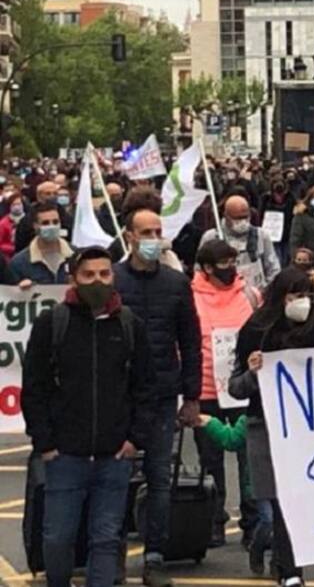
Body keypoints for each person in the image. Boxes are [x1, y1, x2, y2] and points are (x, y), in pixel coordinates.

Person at [22, 246, 153, 587]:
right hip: (64, 455)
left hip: (114, 456)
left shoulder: (129, 325)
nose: (98, 281)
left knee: (106, 539)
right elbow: (34, 387)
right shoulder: (52, 323)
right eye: (89, 275)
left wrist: (134, 439)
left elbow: (145, 387)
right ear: (73, 279)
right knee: (57, 538)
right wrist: (45, 443)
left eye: (104, 274)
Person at [114, 207, 203, 586]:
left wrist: (192, 396)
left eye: (157, 232)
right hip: (119, 395)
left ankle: (155, 557)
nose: (153, 239)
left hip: (163, 395)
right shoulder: (113, 279)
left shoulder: (176, 283)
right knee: (115, 477)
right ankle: (113, 553)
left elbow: (191, 341)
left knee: (159, 477)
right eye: (145, 232)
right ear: (129, 237)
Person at [229, 268, 314, 587]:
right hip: (267, 425)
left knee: (297, 500)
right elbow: (235, 388)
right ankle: (288, 567)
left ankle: (286, 565)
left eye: (307, 295)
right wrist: (253, 373)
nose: (303, 302)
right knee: (279, 500)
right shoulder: (256, 330)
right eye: (295, 295)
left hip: (307, 426)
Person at [190, 240, 260, 553]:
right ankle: (213, 521)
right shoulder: (190, 297)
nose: (230, 268)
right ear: (206, 268)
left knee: (249, 459)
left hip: (243, 387)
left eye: (233, 261)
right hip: (207, 388)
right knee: (210, 459)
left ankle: (253, 522)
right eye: (223, 263)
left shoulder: (249, 294)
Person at [200, 195, 281, 292]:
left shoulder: (261, 236)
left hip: (257, 295)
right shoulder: (211, 237)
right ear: (226, 216)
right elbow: (200, 272)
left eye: (245, 217)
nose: (243, 222)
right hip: (223, 295)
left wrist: (266, 292)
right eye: (237, 218)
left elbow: (274, 269)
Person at [11, 202, 73, 286]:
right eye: (45, 223)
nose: (52, 226)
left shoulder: (75, 255)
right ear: (35, 226)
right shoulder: (19, 263)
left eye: (55, 222)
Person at [15, 181, 74, 253]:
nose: (52, 196)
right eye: (48, 194)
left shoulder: (66, 217)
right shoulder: (27, 220)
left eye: (55, 193)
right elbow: (20, 245)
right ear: (39, 196)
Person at [260, 178, 296, 265]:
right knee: (277, 259)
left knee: (286, 258)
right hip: (272, 234)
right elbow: (261, 215)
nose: (279, 195)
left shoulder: (291, 199)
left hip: (287, 233)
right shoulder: (266, 199)